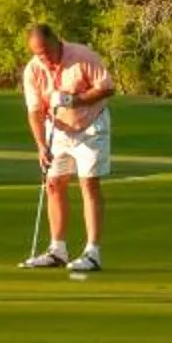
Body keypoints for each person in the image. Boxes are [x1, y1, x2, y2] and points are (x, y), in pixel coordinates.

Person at [20, 22, 112, 276]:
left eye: (46, 51)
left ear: (56, 40)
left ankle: (92, 252)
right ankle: (57, 250)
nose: (44, 58)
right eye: (38, 54)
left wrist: (74, 100)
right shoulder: (33, 70)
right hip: (58, 131)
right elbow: (35, 111)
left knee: (88, 184)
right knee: (53, 184)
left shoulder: (83, 56)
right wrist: (41, 145)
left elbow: (107, 88)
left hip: (90, 126)